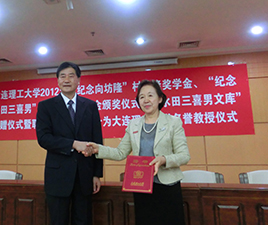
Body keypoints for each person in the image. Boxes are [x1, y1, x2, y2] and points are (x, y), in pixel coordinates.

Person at [84, 79, 190, 225]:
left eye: (150, 95)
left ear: (160, 98)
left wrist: (163, 159)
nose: (146, 100)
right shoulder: (134, 124)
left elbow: (184, 155)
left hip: (168, 186)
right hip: (141, 186)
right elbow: (120, 152)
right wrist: (98, 149)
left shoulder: (173, 122)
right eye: (141, 97)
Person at [36, 61, 103, 225]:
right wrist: (73, 144)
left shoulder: (90, 106)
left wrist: (96, 174)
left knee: (83, 220)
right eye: (62, 76)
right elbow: (44, 138)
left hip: (85, 175)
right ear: (58, 81)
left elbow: (97, 141)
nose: (66, 80)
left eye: (71, 76)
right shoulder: (46, 106)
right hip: (58, 176)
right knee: (59, 220)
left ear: (78, 80)